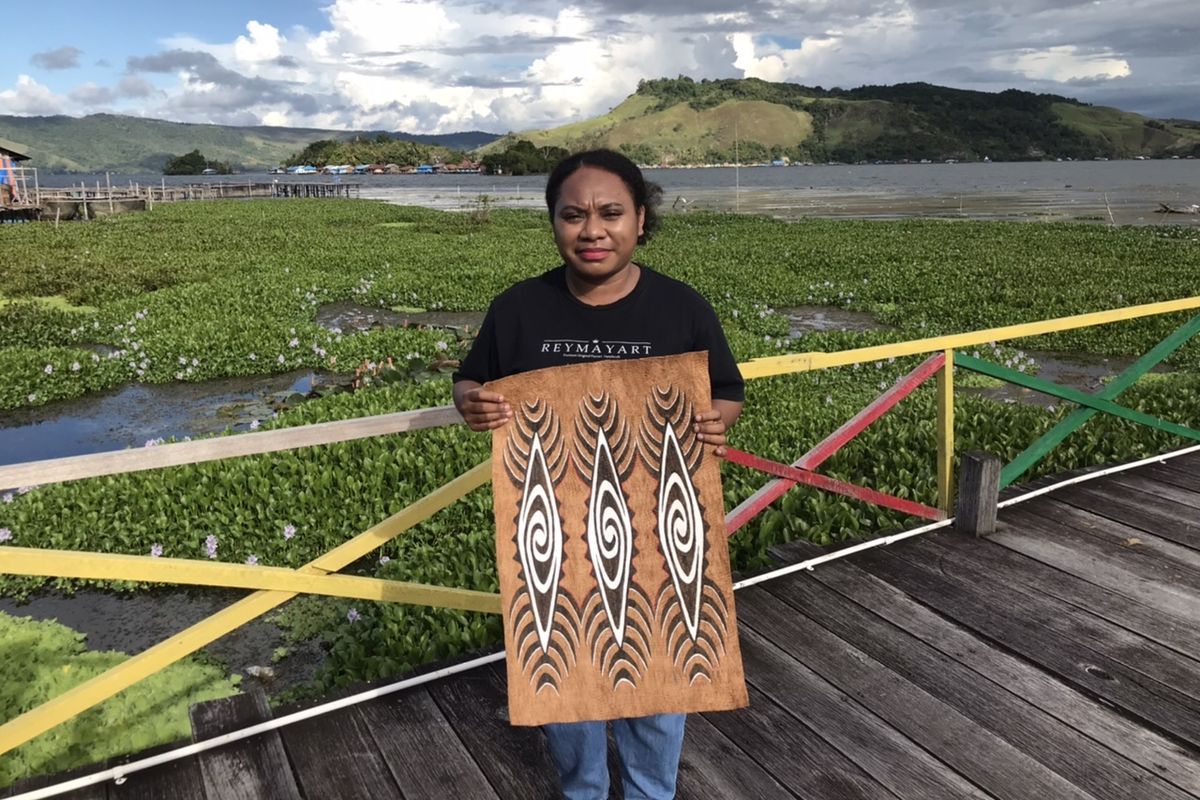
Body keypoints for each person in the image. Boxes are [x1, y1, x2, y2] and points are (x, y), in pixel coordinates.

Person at [452, 149, 744, 800]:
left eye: (611, 213)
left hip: (661, 531)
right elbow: (472, 376)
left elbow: (725, 390)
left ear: (641, 220)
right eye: (573, 215)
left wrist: (715, 421)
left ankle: (650, 792)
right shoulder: (519, 308)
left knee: (660, 675)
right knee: (564, 684)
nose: (592, 230)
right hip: (550, 531)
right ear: (552, 222)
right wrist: (470, 401)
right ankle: (582, 791)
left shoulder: (682, 309)